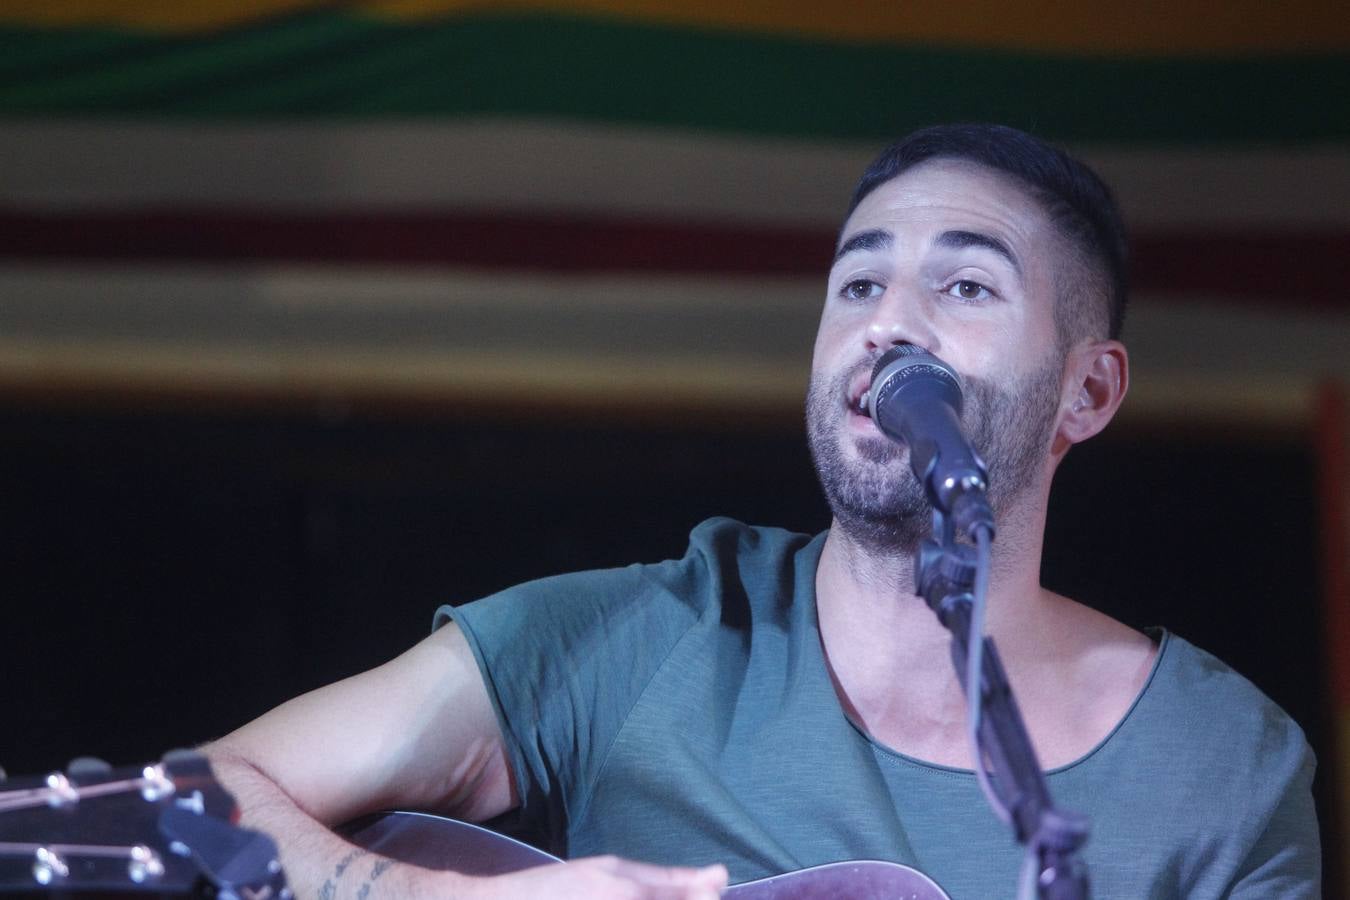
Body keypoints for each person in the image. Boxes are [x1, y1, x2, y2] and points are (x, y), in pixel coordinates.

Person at [205, 124, 1320, 898]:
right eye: (858, 283)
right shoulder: (632, 647)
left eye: (967, 286)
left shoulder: (1225, 767)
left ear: (1089, 390)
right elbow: (200, 795)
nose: (890, 323)